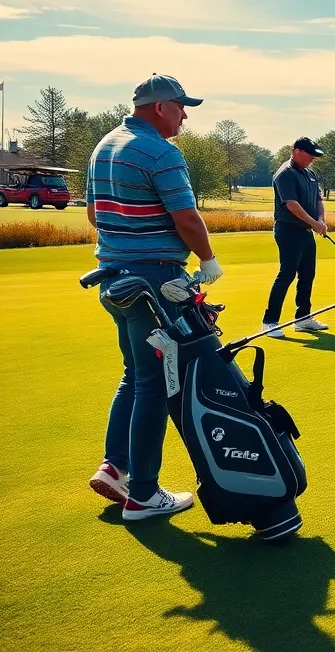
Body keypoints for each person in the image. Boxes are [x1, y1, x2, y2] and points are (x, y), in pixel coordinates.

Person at [85, 73, 224, 521]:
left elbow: (93, 213)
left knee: (135, 374)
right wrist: (208, 260)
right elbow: (186, 217)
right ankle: (143, 493)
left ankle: (117, 467)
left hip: (113, 277)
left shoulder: (104, 146)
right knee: (154, 384)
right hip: (154, 283)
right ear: (160, 106)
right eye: (181, 107)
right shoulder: (160, 151)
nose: (185, 115)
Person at [261, 137, 329, 338]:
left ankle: (303, 318)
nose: (313, 160)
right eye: (310, 155)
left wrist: (321, 220)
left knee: (308, 273)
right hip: (288, 230)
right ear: (297, 151)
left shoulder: (309, 173)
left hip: (305, 231)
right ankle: (270, 321)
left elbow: (318, 199)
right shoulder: (285, 174)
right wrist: (314, 223)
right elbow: (292, 205)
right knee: (287, 273)